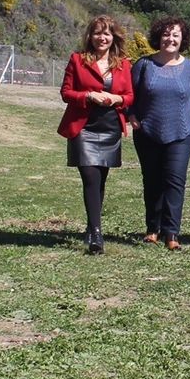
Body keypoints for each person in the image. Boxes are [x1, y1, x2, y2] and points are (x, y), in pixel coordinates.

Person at [128, 16, 190, 251]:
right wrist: (131, 115)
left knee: (175, 181)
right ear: (158, 37)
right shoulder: (143, 65)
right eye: (166, 34)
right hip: (147, 132)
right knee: (152, 181)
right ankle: (152, 229)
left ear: (182, 39)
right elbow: (129, 96)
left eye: (176, 35)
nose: (170, 39)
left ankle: (172, 232)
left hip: (181, 133)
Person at [58, 15, 134, 254]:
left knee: (100, 180)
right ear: (90, 37)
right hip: (84, 127)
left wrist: (117, 98)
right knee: (90, 178)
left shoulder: (123, 64)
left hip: (110, 127)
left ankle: (92, 228)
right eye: (97, 33)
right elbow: (66, 92)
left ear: (114, 38)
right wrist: (88, 96)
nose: (102, 38)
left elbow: (131, 96)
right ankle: (97, 236)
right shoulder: (77, 60)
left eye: (107, 33)